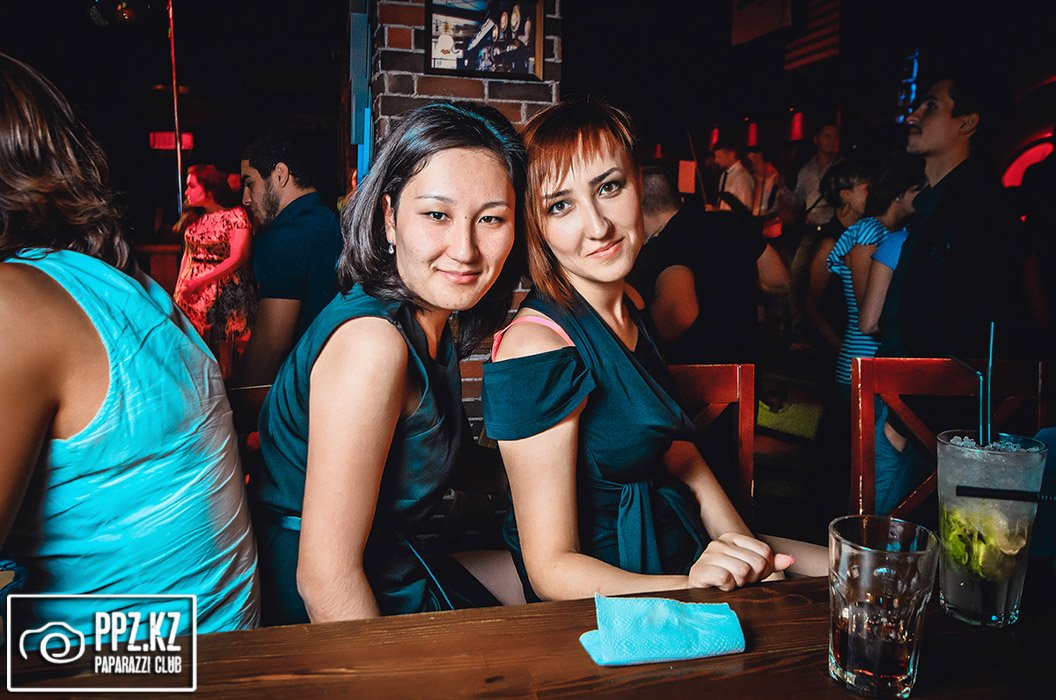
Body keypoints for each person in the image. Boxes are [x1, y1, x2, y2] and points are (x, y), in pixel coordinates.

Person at [482, 100, 825, 603]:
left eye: (608, 187)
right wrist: (697, 590)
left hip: (685, 543)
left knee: (863, 567)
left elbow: (676, 450)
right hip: (624, 594)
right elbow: (551, 571)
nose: (598, 226)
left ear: (638, 184)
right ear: (535, 224)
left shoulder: (631, 304)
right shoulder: (534, 349)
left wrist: (739, 544)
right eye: (560, 205)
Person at [0, 53, 259, 642]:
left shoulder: (17, 303)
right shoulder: (126, 286)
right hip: (205, 645)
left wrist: (204, 278)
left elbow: (237, 259)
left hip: (139, 665)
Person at [251, 101, 527, 624]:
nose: (465, 249)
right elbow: (325, 580)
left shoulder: (430, 322)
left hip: (394, 563)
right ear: (389, 219)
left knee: (556, 591)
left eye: (491, 218)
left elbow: (464, 464)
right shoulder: (372, 344)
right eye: (437, 215)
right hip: (324, 606)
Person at [630, 164, 789, 364]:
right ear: (677, 198)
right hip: (747, 366)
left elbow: (681, 314)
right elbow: (780, 280)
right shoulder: (731, 223)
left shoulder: (659, 248)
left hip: (696, 373)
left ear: (636, 207)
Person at [236, 134, 343, 387]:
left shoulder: (283, 238)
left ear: (280, 175)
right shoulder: (332, 220)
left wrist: (239, 397)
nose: (246, 198)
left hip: (299, 389)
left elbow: (271, 347)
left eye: (250, 184)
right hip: (336, 378)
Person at [173, 164, 255, 378]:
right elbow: (188, 254)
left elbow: (238, 256)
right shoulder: (195, 218)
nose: (187, 192)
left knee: (224, 352)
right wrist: (180, 286)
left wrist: (201, 281)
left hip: (222, 288)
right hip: (192, 289)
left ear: (209, 189)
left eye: (192, 186)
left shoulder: (235, 215)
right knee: (193, 348)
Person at [804, 160, 871, 364]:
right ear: (845, 195)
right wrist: (840, 346)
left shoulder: (863, 235)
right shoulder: (830, 244)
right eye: (867, 189)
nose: (874, 194)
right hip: (837, 346)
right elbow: (811, 304)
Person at [710, 139, 755, 212]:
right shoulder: (724, 175)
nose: (716, 160)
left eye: (719, 157)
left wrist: (716, 211)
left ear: (732, 154)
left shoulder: (742, 177)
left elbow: (745, 210)